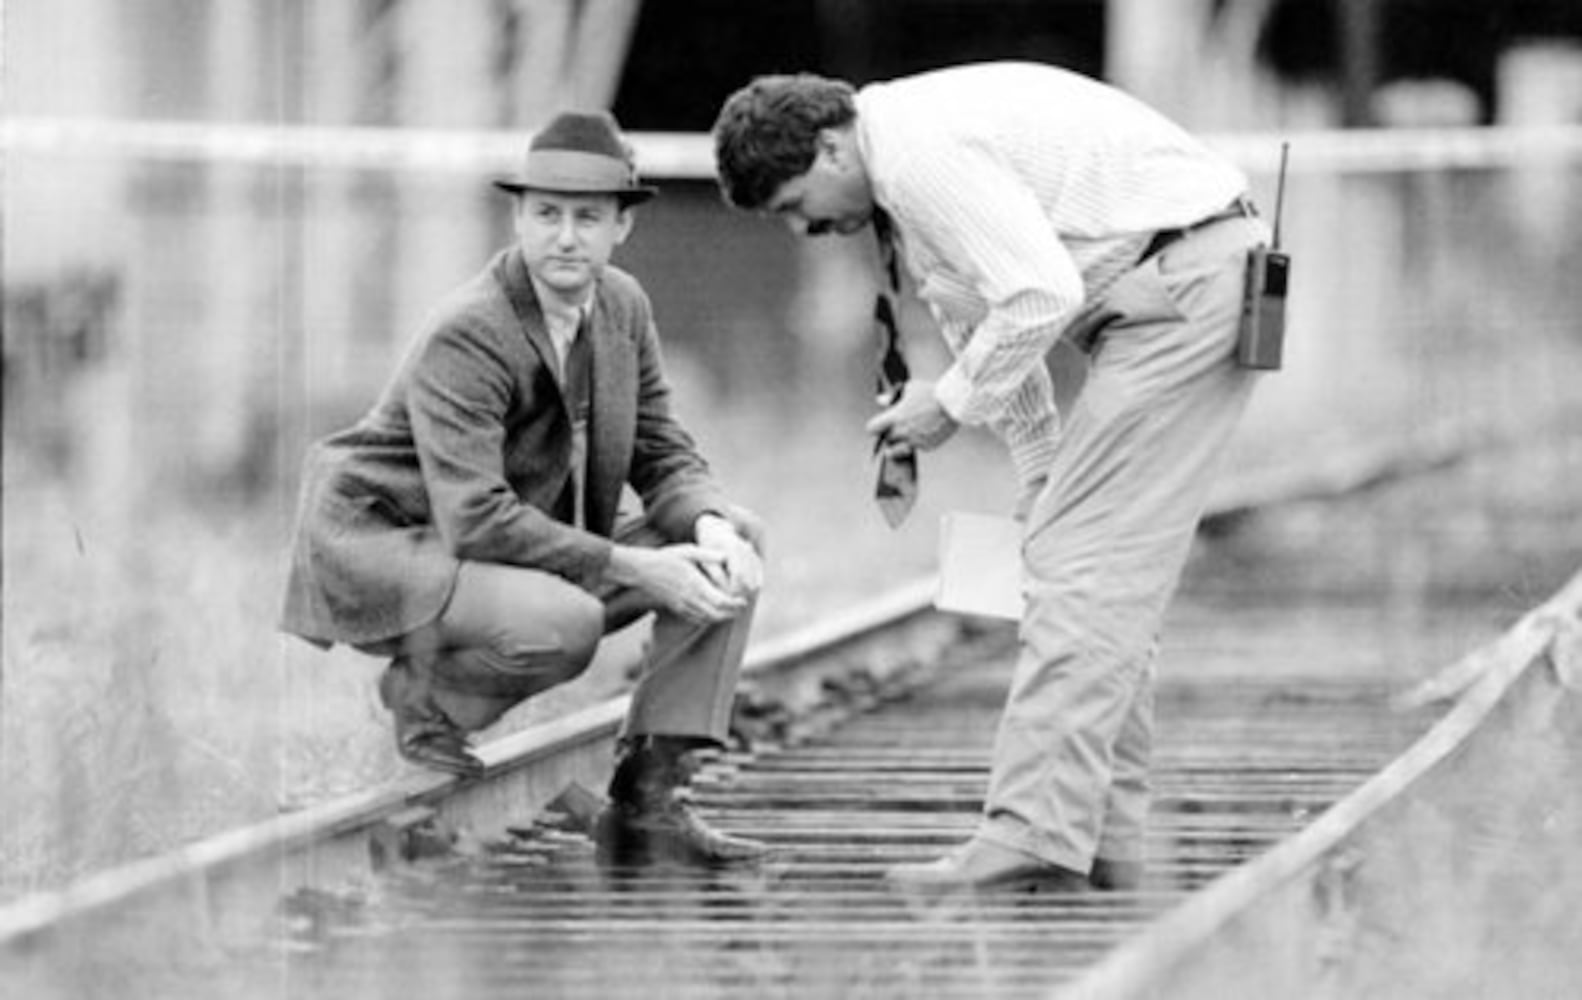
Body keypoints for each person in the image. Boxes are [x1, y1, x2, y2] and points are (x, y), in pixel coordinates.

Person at [713, 62, 1272, 892]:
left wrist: (948, 404)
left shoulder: (915, 155)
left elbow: (1041, 296)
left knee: (1082, 568)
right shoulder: (903, 187)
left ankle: (1034, 833)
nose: (804, 230)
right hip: (1176, 287)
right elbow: (1001, 332)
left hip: (1187, 285)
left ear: (830, 148)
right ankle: (1102, 841)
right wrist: (1039, 476)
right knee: (1082, 563)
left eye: (796, 205)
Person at [280, 110, 768, 866]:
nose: (564, 237)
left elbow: (661, 447)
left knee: (733, 541)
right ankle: (422, 700)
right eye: (546, 214)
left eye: (586, 217)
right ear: (518, 219)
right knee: (566, 622)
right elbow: (475, 518)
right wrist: (637, 567)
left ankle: (651, 798)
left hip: (486, 541)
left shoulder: (622, 307)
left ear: (621, 226)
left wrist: (706, 526)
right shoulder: (472, 329)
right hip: (389, 537)